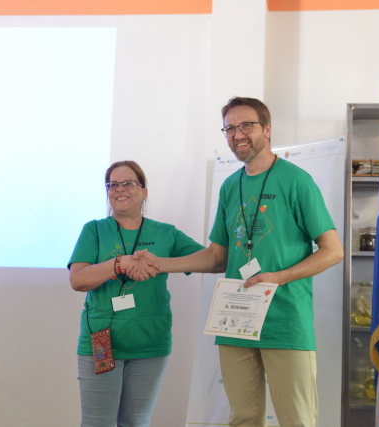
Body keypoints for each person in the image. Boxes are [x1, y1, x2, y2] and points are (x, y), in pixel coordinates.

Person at [133, 97, 344, 427]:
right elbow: (217, 256)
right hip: (236, 321)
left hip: (285, 322)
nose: (237, 134)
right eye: (230, 128)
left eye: (246, 125)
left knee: (297, 420)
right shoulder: (230, 187)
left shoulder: (296, 181)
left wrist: (279, 277)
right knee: (244, 418)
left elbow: (333, 251)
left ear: (267, 129)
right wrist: (161, 264)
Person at [68, 160, 204, 427]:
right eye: (113, 185)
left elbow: (211, 260)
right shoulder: (94, 230)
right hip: (102, 341)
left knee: (136, 423)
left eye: (128, 183)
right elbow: (78, 280)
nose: (120, 189)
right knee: (98, 423)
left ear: (144, 191)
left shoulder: (166, 233)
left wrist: (160, 263)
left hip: (150, 345)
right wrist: (118, 264)